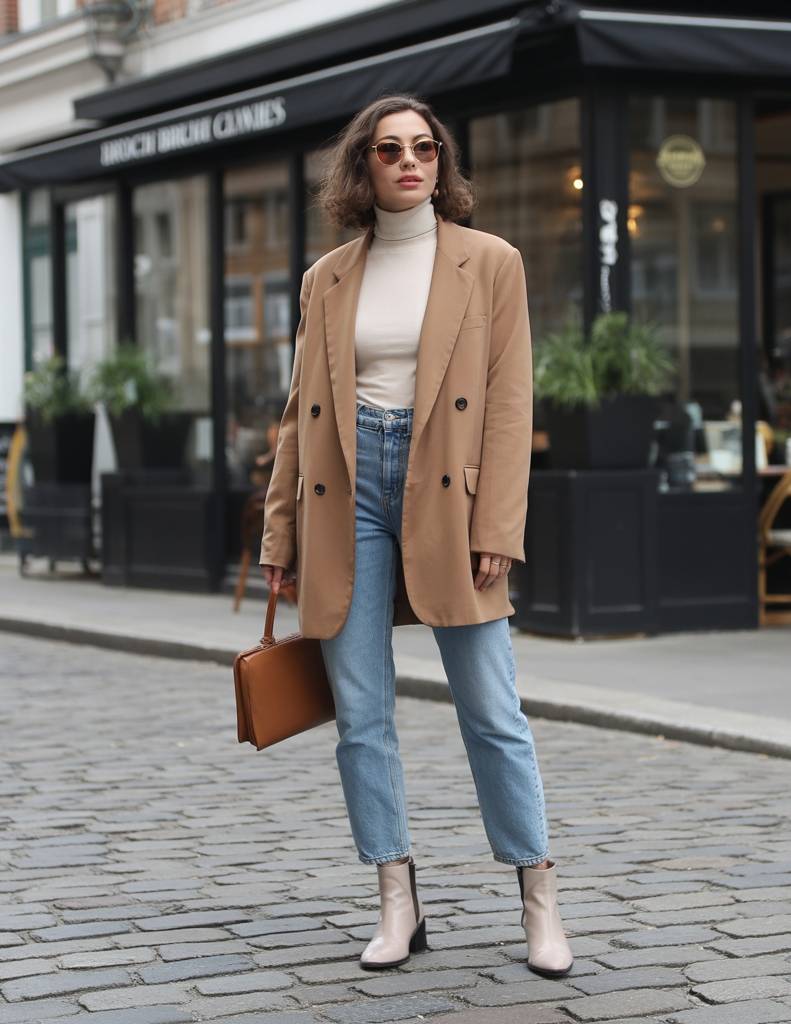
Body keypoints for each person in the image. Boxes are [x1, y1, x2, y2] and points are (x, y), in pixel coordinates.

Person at [260, 95, 572, 977]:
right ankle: (397, 896)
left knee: (492, 708)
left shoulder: (491, 263)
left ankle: (538, 892)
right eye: (389, 149)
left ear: (442, 163)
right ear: (362, 167)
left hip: (450, 492)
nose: (409, 162)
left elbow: (511, 404)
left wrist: (499, 525)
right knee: (361, 714)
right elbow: (298, 416)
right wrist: (279, 541)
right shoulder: (327, 278)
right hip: (345, 490)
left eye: (425, 148)